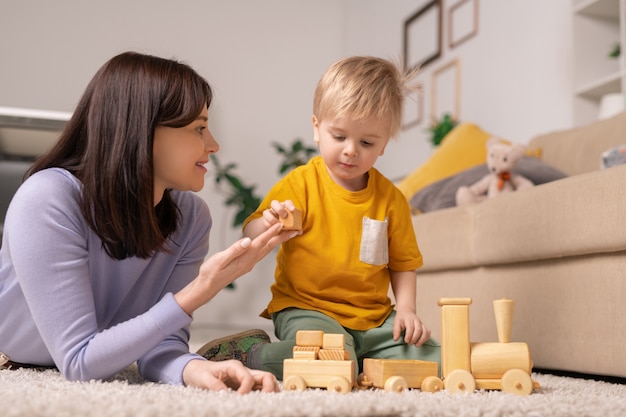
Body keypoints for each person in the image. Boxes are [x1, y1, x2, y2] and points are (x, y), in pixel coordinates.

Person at [0, 51, 298, 393]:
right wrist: (201, 290)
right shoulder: (48, 198)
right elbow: (79, 361)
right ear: (143, 131)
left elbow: (161, 343)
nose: (214, 145)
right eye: (199, 128)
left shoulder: (191, 219)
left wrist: (194, 369)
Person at [197, 56, 441, 380]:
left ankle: (362, 357)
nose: (351, 150)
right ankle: (253, 354)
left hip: (373, 319)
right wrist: (268, 221)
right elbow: (252, 229)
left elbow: (403, 263)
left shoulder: (391, 200)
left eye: (367, 142)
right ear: (316, 128)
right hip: (306, 309)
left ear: (384, 145)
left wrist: (407, 310)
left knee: (438, 360)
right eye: (339, 136)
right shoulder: (301, 184)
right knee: (337, 361)